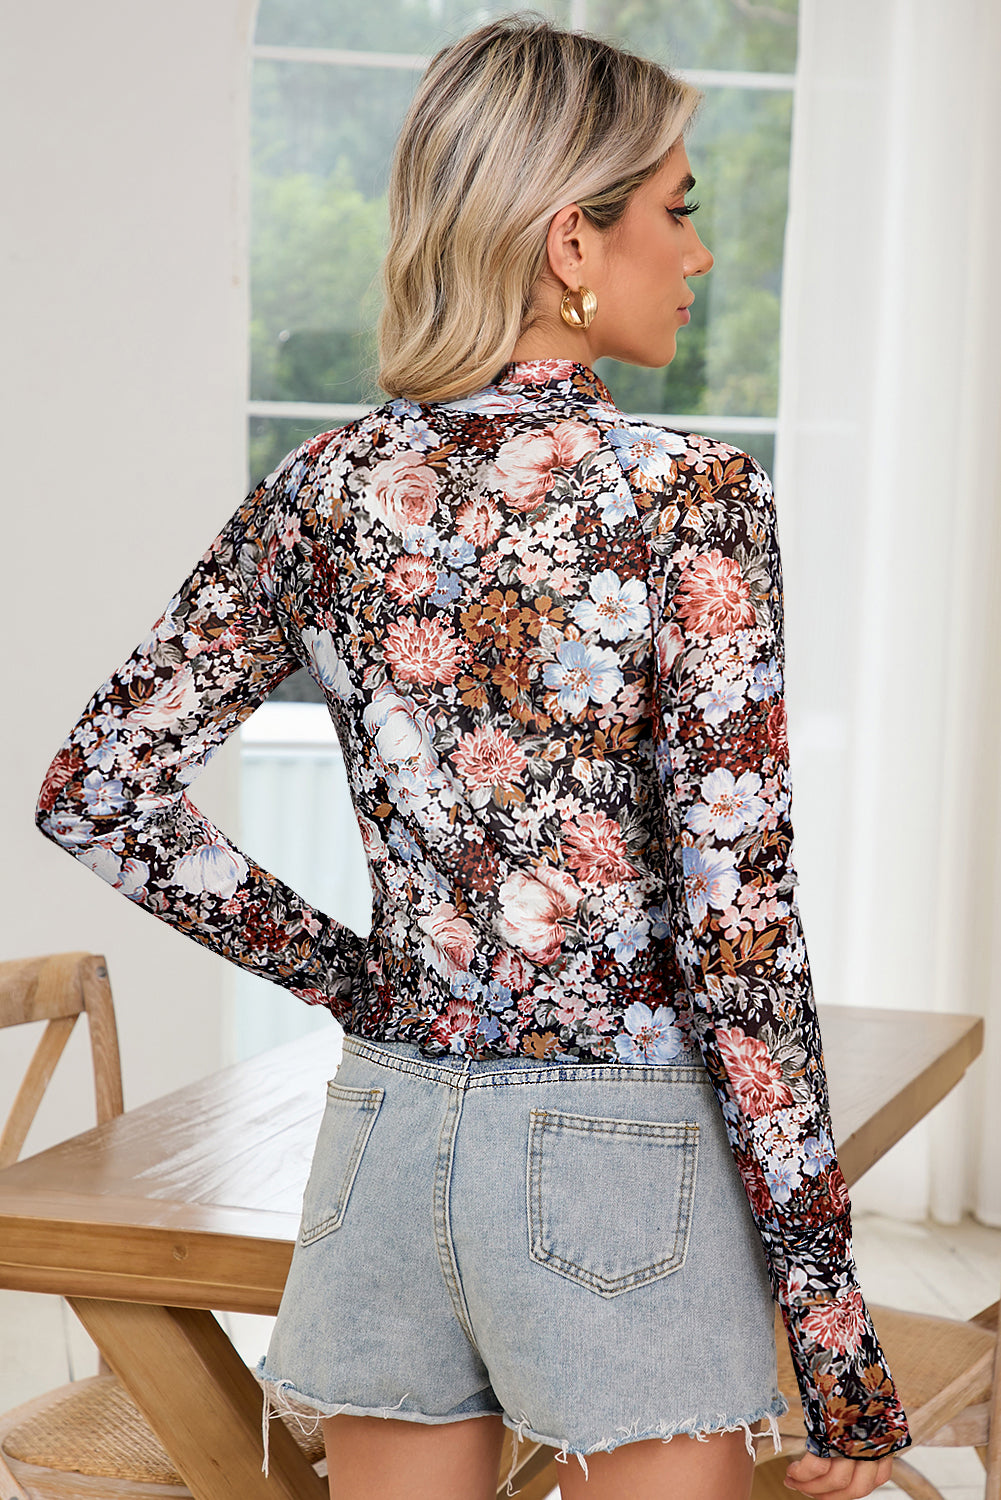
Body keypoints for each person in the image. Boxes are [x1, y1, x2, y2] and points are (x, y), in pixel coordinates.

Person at [35, 18, 911, 1500]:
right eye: (678, 208)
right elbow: (739, 933)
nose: (698, 252)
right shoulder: (688, 498)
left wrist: (361, 979)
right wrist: (833, 1344)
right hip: (620, 1146)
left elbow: (98, 791)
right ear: (573, 241)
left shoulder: (323, 489)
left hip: (387, 1130)